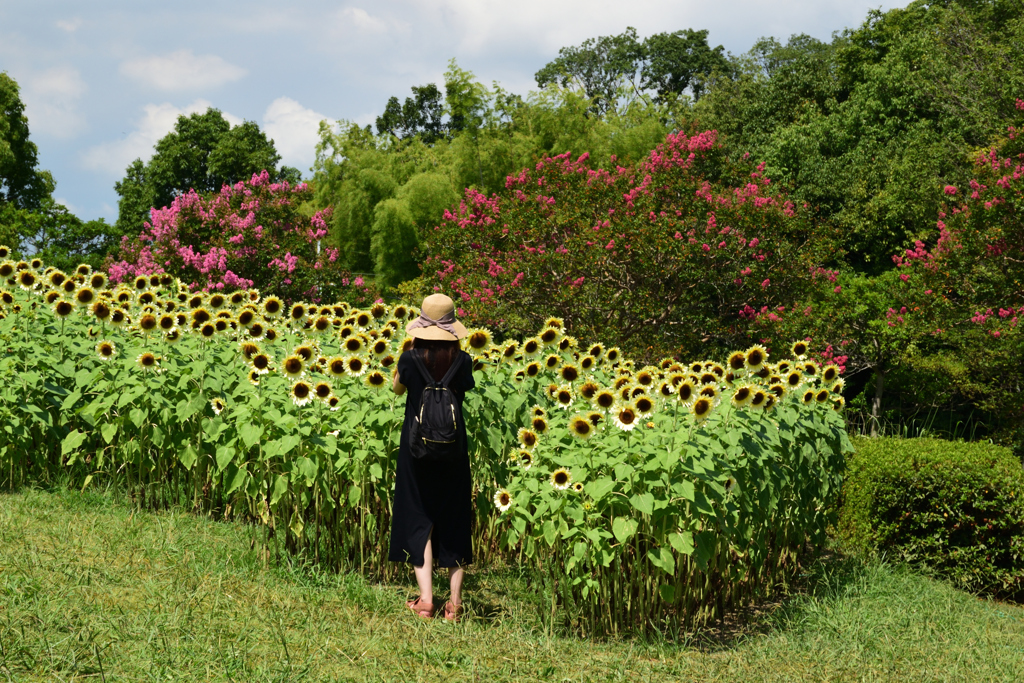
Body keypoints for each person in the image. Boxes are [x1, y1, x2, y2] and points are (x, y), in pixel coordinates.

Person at [389, 293, 476, 622]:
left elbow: (398, 390)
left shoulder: (410, 358)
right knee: (454, 517)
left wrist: (405, 358)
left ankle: (425, 601)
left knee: (418, 516)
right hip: (453, 449)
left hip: (416, 450)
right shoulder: (462, 360)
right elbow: (461, 391)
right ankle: (454, 603)